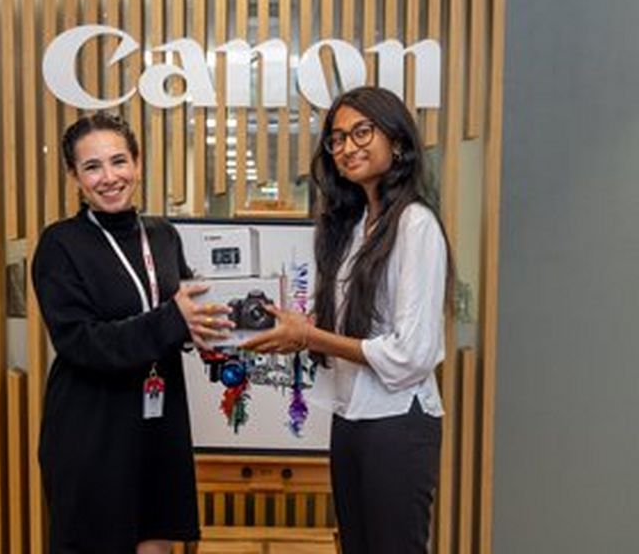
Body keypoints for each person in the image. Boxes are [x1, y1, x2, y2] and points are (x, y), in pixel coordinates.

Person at [242, 86, 453, 553]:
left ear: (396, 142)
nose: (347, 147)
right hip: (351, 417)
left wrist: (312, 335)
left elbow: (411, 354)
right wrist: (301, 331)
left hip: (398, 422)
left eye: (362, 132)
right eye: (336, 139)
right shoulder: (356, 226)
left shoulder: (415, 224)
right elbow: (357, 322)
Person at [32, 112, 231, 554]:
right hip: (92, 429)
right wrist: (174, 320)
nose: (109, 177)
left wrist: (206, 331)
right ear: (74, 177)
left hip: (157, 422)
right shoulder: (59, 244)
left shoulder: (162, 235)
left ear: (137, 164)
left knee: (156, 542)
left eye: (119, 161)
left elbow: (178, 316)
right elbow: (80, 341)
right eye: (92, 166)